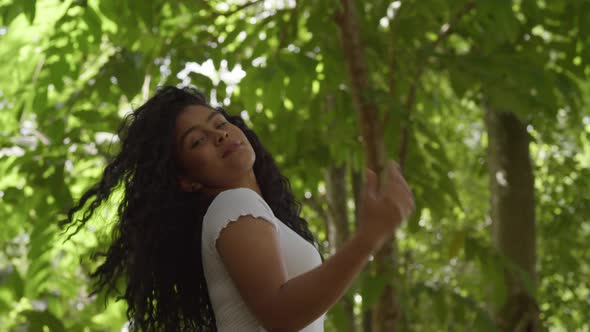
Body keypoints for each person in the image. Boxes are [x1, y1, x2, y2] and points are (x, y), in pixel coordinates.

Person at [62, 86, 415, 331]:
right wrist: (368, 237)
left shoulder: (252, 214)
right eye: (197, 140)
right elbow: (280, 313)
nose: (218, 135)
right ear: (186, 180)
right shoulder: (234, 204)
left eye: (219, 123)